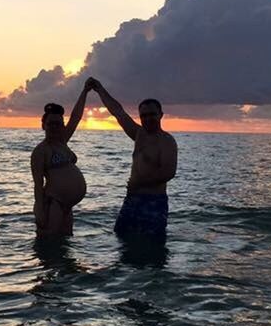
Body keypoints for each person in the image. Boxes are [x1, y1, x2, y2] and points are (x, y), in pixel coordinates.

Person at [86, 77, 177, 238]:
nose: (148, 118)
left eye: (152, 114)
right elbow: (117, 112)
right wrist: (99, 88)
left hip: (154, 201)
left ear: (161, 115)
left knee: (152, 246)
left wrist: (139, 182)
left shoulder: (167, 141)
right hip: (132, 199)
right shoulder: (139, 134)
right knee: (121, 237)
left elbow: (168, 172)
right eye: (144, 115)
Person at [31, 82, 90, 237]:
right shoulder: (40, 152)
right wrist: (40, 212)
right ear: (43, 125)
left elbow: (76, 117)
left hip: (66, 205)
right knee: (50, 244)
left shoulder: (62, 142)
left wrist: (85, 91)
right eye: (51, 124)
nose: (54, 127)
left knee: (64, 245)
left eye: (58, 124)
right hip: (53, 203)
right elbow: (38, 184)